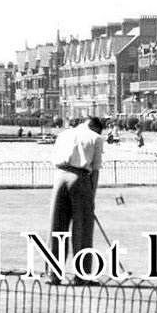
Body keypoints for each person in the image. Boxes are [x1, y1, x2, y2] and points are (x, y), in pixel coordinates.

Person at [46, 116, 104, 284]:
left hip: (59, 178)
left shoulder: (64, 134)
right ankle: (82, 276)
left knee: (57, 228)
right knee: (83, 229)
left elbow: (54, 159)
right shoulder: (96, 138)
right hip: (81, 178)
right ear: (95, 127)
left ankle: (53, 274)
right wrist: (91, 197)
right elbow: (95, 169)